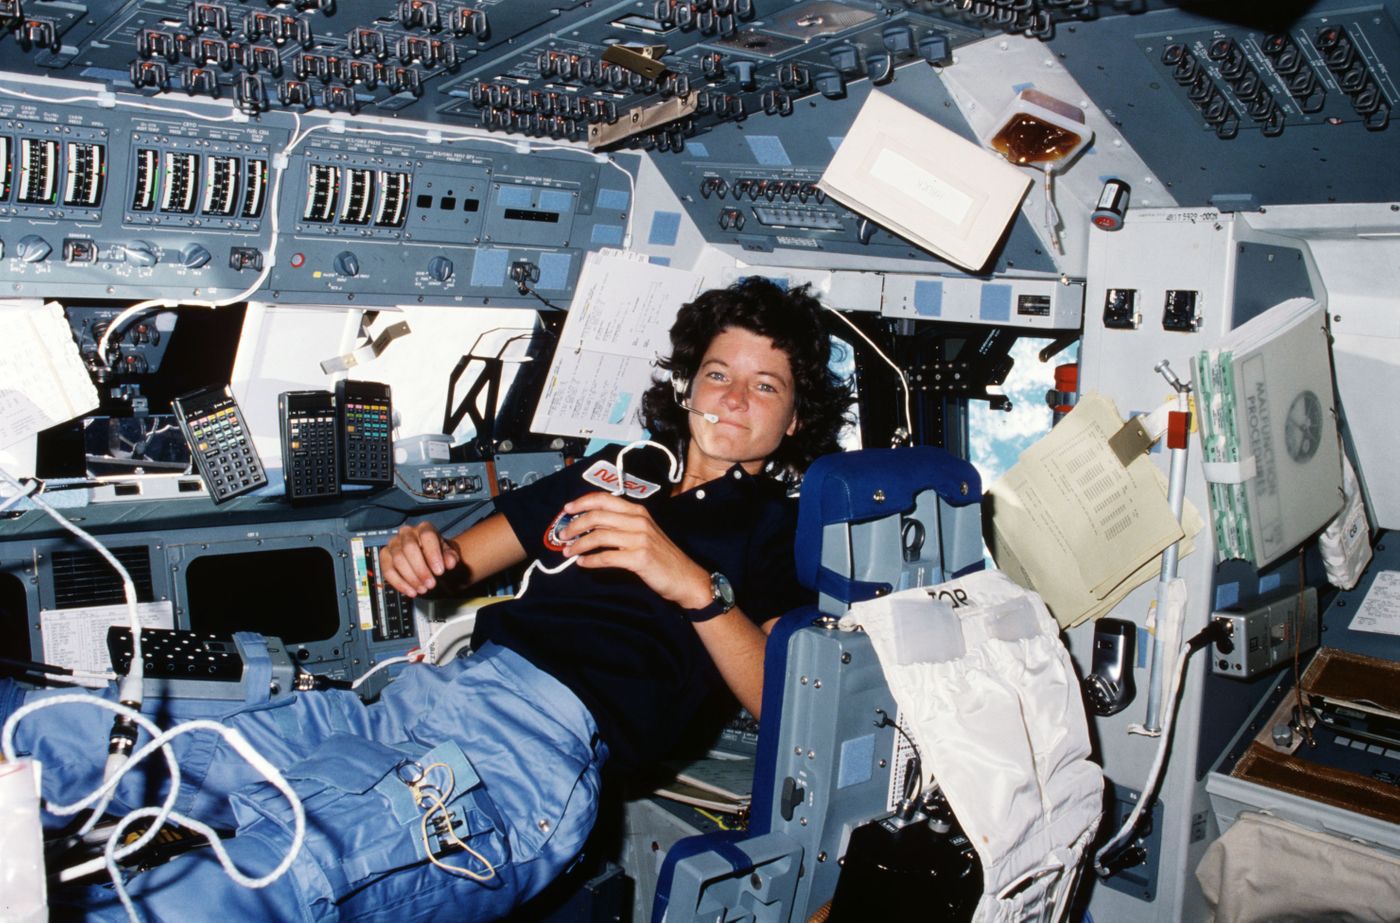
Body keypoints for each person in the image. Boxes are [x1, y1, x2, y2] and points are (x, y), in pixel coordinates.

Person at [1, 277, 850, 921]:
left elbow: (781, 702)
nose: (732, 398)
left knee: (260, 884)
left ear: (794, 414)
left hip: (525, 765)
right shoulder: (611, 471)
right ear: (689, 385)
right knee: (95, 737)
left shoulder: (782, 534)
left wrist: (690, 583)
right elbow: (454, 560)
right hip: (412, 705)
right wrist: (421, 550)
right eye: (717, 372)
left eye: (765, 384)